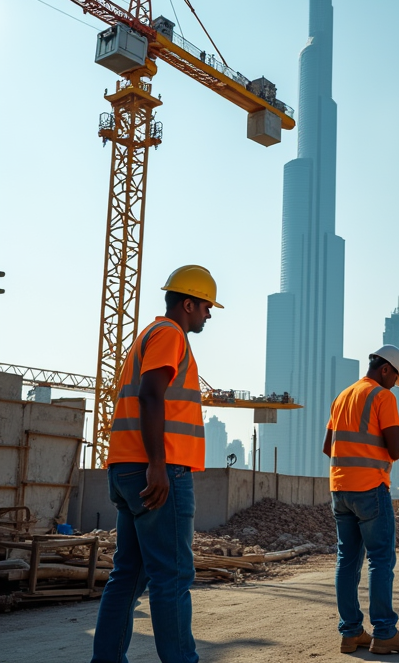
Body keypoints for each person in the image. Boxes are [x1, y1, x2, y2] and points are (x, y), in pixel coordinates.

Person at [91, 265, 220, 663]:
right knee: (172, 577)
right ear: (187, 304)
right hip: (158, 472)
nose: (208, 315)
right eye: (205, 307)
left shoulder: (147, 334)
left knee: (128, 574)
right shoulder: (169, 333)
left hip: (127, 467)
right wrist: (159, 466)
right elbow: (151, 396)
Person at [322, 345, 399, 655]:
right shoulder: (382, 396)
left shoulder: (342, 396)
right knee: (380, 559)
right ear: (385, 370)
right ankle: (384, 632)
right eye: (395, 378)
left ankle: (351, 633)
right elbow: (396, 449)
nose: (395, 384)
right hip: (370, 488)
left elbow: (329, 446)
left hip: (340, 489)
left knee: (347, 561)